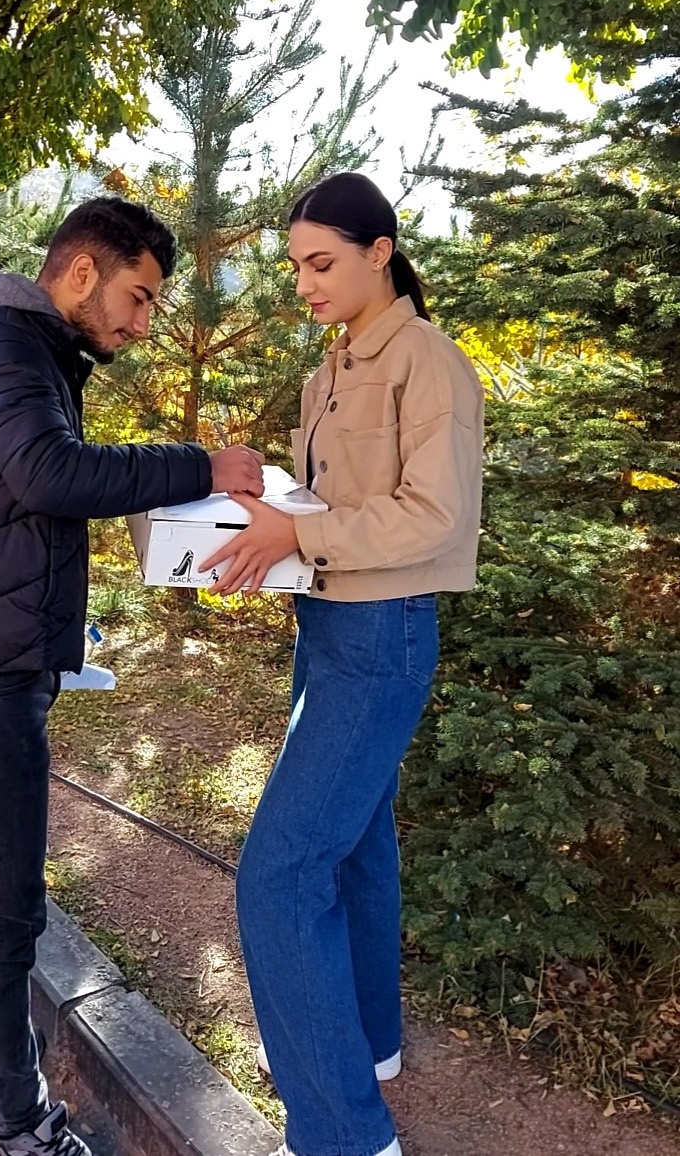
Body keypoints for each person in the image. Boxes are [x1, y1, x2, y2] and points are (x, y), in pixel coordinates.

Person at [0, 196, 263, 1156]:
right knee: (2, 916)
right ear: (80, 271)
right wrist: (201, 465)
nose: (142, 322)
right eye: (137, 296)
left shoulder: (16, 346)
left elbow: (13, 499)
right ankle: (16, 1127)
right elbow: (51, 474)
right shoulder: (7, 347)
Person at [201, 172, 484, 1156]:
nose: (305, 284)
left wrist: (298, 533)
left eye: (321, 263)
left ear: (380, 250)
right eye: (295, 268)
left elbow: (434, 514)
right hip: (326, 630)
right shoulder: (334, 372)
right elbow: (328, 504)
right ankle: (369, 1052)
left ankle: (344, 1136)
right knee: (358, 842)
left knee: (278, 874)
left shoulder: (427, 363)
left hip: (383, 637)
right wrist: (264, 507)